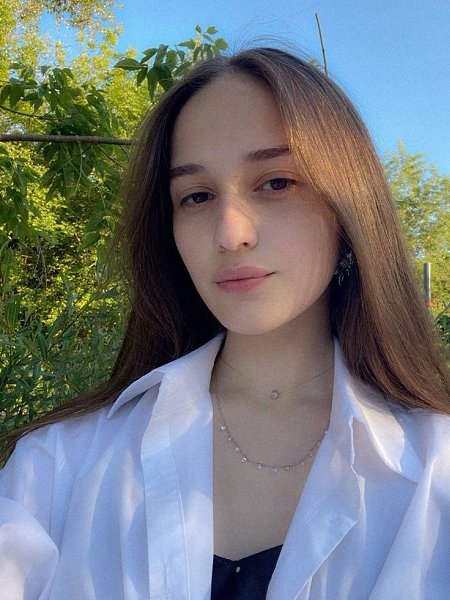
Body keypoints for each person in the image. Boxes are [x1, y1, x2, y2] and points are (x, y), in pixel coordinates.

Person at [0, 46, 449, 600]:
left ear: (349, 206)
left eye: (276, 182)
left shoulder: (437, 473)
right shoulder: (56, 468)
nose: (230, 233)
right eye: (196, 196)